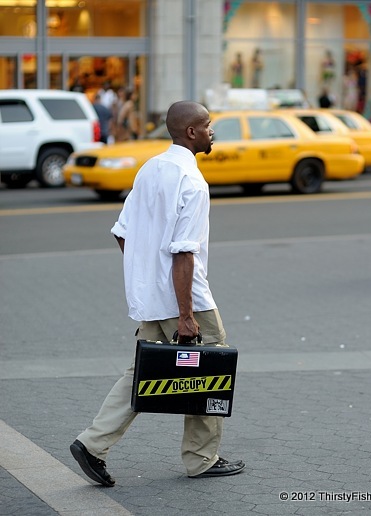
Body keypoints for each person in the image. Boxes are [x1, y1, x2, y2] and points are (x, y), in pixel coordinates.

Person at [70, 100, 246, 486]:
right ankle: (201, 458)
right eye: (207, 125)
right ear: (191, 133)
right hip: (187, 301)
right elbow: (184, 253)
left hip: (151, 299)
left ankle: (92, 444)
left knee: (140, 373)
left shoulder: (150, 169)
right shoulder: (193, 182)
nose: (212, 130)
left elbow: (122, 231)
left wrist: (147, 276)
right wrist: (185, 315)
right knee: (208, 370)